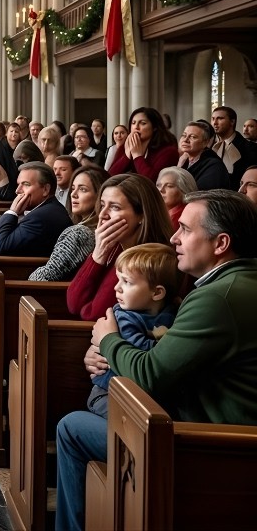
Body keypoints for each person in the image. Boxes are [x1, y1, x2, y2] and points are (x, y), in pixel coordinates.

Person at [53, 190, 257, 531]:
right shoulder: (235, 282)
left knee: (71, 427)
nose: (174, 238)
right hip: (223, 432)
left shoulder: (218, 297)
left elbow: (150, 374)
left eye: (186, 230)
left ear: (221, 243)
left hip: (215, 445)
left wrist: (108, 340)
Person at [84, 243, 179, 418]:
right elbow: (137, 348)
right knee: (133, 423)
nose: (116, 287)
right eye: (119, 279)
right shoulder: (122, 317)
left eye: (126, 282)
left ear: (157, 293)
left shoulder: (174, 311)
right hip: (107, 393)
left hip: (144, 395)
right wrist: (170, 349)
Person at [66, 173, 175, 320]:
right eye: (103, 205)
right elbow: (74, 304)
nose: (102, 215)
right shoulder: (113, 246)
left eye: (115, 207)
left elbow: (93, 314)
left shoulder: (148, 259)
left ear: (142, 215)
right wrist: (97, 256)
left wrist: (86, 306)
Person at [29, 166, 109, 282]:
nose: (73, 194)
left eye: (83, 189)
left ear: (101, 197)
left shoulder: (80, 234)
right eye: (73, 188)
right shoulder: (97, 230)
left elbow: (43, 278)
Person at [0, 161, 73, 257]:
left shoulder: (41, 217)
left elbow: (2, 247)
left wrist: (12, 212)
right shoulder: (48, 209)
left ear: (45, 190)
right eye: (18, 184)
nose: (17, 191)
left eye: (26, 184)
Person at [108, 107, 178, 181]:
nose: (136, 127)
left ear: (154, 127)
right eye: (133, 123)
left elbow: (152, 181)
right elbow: (109, 178)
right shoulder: (125, 147)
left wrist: (137, 156)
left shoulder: (168, 151)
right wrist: (126, 156)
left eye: (143, 123)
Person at [178, 120, 230, 191]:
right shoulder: (183, 160)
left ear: (205, 143)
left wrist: (178, 169)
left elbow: (199, 194)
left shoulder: (214, 166)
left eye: (193, 137)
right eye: (184, 135)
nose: (185, 140)